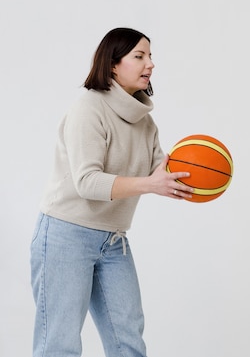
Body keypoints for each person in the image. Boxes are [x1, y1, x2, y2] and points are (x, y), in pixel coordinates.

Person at [30, 27, 194, 357]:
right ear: (113, 64)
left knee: (128, 342)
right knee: (59, 345)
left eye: (151, 57)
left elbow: (156, 172)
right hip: (65, 236)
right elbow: (87, 183)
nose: (150, 64)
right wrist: (151, 185)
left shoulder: (146, 123)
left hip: (113, 239)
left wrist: (193, 174)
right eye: (139, 56)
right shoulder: (89, 109)